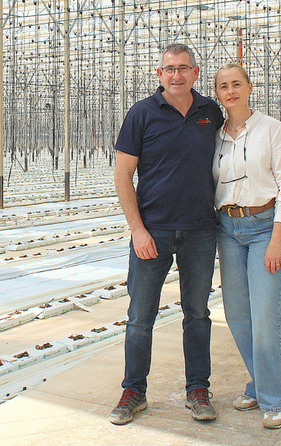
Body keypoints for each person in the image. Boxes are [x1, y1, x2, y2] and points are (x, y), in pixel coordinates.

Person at [109, 43, 223, 425]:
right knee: (140, 316)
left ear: (196, 72)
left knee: (198, 313)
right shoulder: (142, 113)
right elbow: (123, 176)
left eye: (184, 68)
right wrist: (137, 230)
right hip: (152, 232)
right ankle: (133, 391)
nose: (176, 75)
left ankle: (198, 389)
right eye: (169, 68)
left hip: (200, 231)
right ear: (159, 74)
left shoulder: (211, 112)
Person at [211, 62, 281, 430]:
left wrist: (278, 238)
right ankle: (260, 383)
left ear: (249, 87)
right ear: (217, 94)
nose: (230, 91)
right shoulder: (215, 136)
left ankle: (275, 398)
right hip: (228, 228)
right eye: (223, 86)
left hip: (266, 228)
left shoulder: (272, 130)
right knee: (238, 316)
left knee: (266, 318)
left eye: (237, 84)